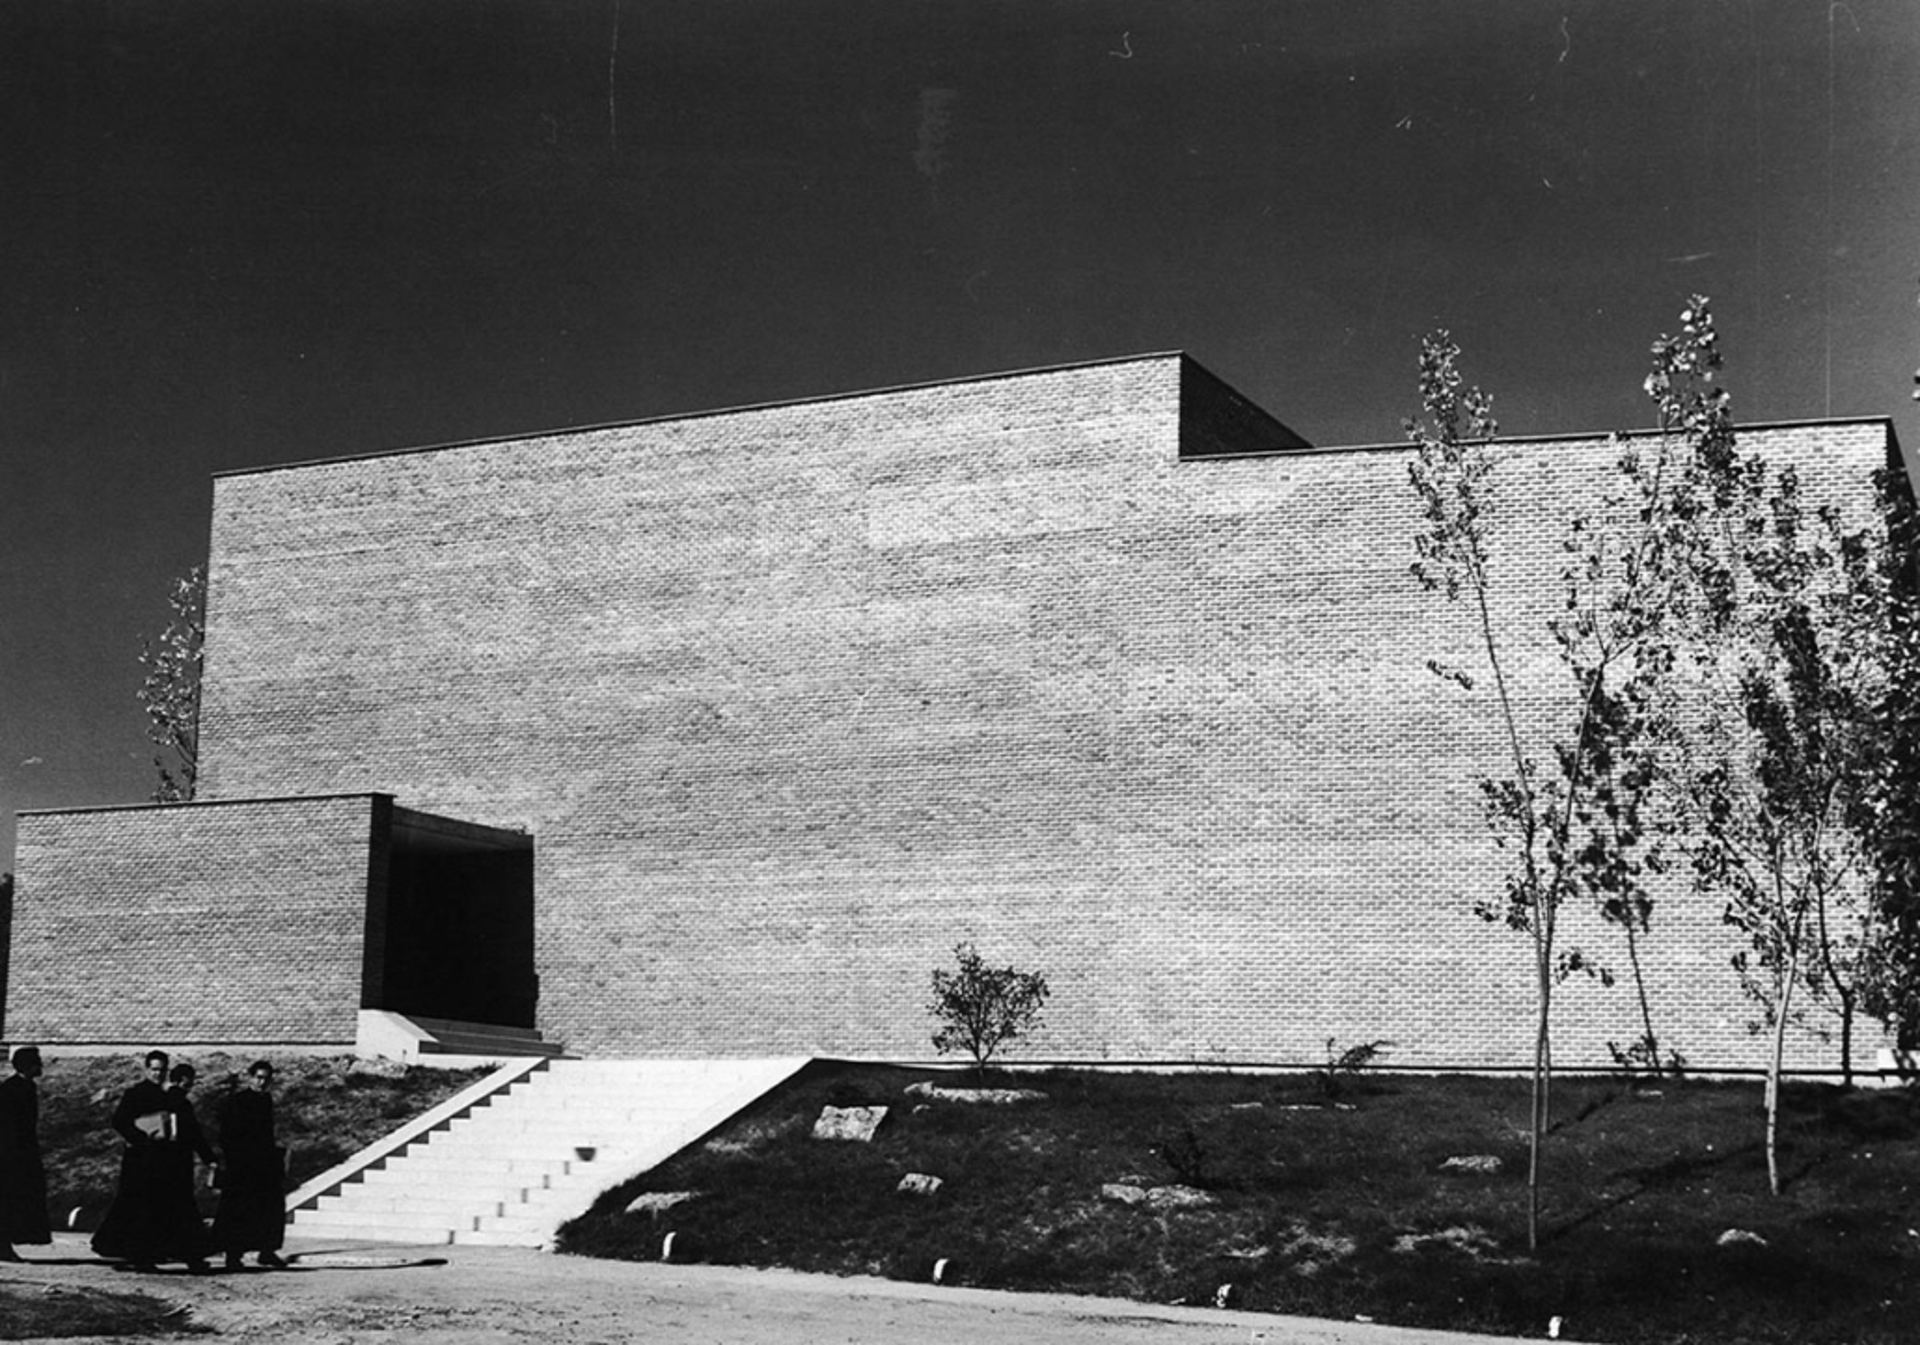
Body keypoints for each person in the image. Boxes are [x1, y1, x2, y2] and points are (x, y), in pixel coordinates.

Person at [91, 1051, 213, 1272]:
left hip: (165, 1163)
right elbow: (120, 1121)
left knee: (168, 1209)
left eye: (162, 1070)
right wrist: (142, 1138)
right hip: (141, 1162)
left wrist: (208, 1158)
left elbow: (188, 1128)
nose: (158, 1074)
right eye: (155, 1069)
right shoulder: (135, 1094)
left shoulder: (169, 1095)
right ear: (147, 1070)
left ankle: (178, 1254)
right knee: (141, 1210)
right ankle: (142, 1256)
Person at [212, 1060, 288, 1269]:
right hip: (242, 1165)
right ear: (250, 1077)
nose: (262, 1083)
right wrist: (235, 1158)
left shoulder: (266, 1100)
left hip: (263, 1164)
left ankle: (267, 1250)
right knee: (237, 1210)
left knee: (269, 1207)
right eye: (258, 1077)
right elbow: (227, 1134)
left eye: (266, 1079)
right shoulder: (237, 1101)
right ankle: (233, 1254)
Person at [0, 1046, 51, 1262]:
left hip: (19, 1152)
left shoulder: (22, 1087)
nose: (41, 1066)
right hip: (12, 1155)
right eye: (37, 1063)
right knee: (9, 1199)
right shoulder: (13, 1090)